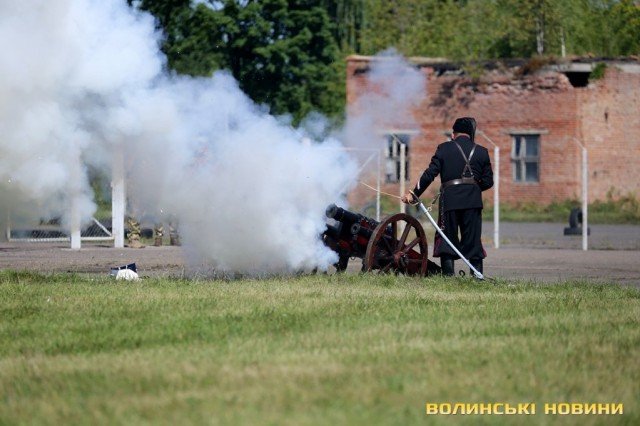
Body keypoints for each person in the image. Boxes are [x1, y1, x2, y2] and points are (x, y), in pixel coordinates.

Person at [402, 117, 493, 276]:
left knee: (447, 238)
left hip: (450, 200)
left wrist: (414, 194)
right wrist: (472, 189)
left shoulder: (444, 149)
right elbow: (488, 182)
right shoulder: (482, 151)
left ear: (453, 134)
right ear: (471, 134)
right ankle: (477, 277)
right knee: (473, 240)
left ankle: (448, 277)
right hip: (473, 201)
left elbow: (430, 174)